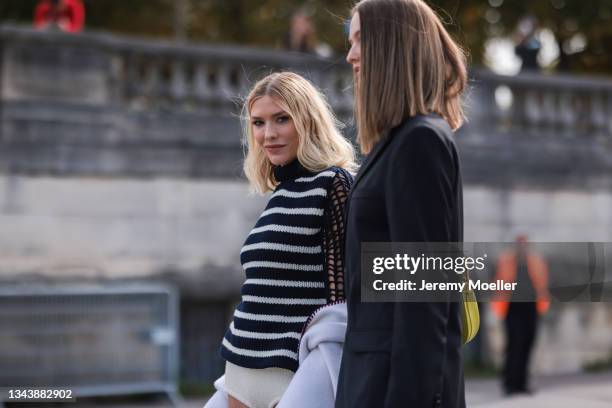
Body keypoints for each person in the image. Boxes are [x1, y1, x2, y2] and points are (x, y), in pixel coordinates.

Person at [337, 1, 467, 407]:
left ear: (392, 45)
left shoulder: (419, 142)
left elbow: (424, 300)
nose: (350, 54)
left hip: (393, 386)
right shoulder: (398, 143)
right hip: (373, 376)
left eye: (360, 40)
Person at [204, 71, 356, 408]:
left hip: (295, 370)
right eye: (258, 123)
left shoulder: (334, 184)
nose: (268, 134)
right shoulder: (279, 192)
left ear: (308, 121)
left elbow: (340, 300)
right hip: (241, 366)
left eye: (281, 119)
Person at [491, 235, 550, 395]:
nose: (522, 247)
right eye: (519, 244)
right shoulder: (506, 260)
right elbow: (498, 282)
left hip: (531, 307)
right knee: (514, 345)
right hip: (512, 308)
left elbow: (542, 282)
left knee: (528, 344)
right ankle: (510, 383)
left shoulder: (536, 261)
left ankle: (522, 383)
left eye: (525, 244)